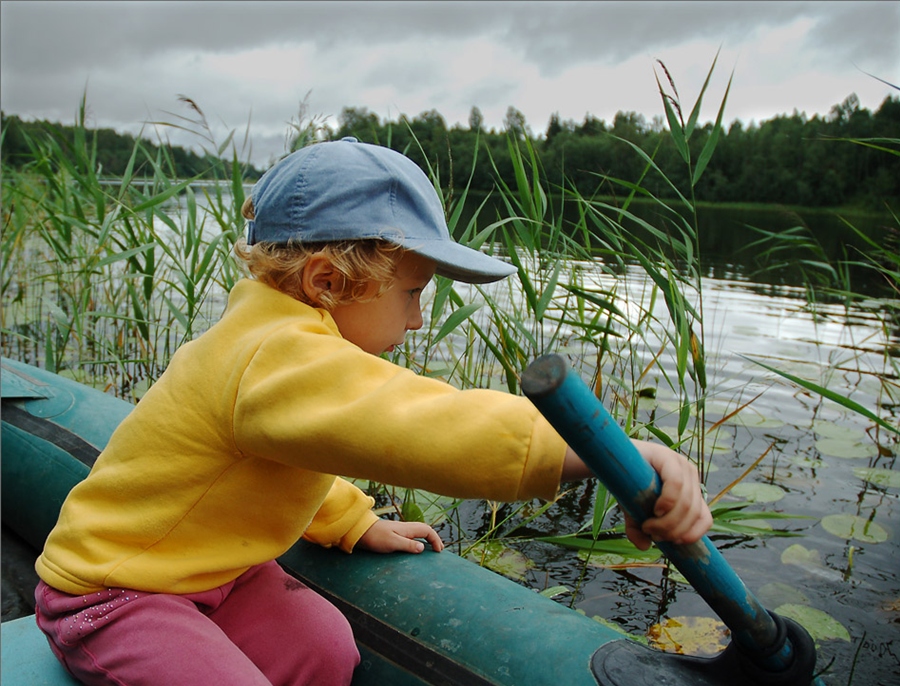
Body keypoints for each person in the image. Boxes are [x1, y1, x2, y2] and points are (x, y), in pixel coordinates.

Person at [33, 137, 712, 686]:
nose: (418, 320)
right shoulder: (272, 355)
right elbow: (415, 424)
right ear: (327, 282)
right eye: (413, 293)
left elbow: (297, 454)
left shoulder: (281, 348)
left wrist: (353, 519)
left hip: (216, 574)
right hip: (118, 593)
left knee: (328, 649)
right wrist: (587, 450)